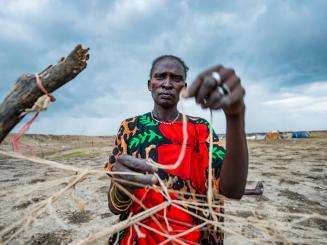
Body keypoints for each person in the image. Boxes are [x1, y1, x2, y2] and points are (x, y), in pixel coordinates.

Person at [105, 55, 249, 244]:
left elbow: (233, 190)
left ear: (184, 88)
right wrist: (122, 189)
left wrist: (236, 115)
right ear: (150, 85)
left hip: (196, 237)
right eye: (160, 76)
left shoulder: (201, 128)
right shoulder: (131, 127)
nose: (167, 83)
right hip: (139, 238)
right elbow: (115, 207)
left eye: (176, 78)